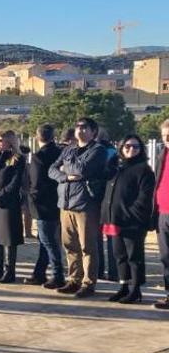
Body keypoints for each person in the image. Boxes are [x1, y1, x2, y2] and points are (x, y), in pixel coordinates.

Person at [48, 117, 108, 298]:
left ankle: (88, 283)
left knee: (87, 246)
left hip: (85, 204)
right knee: (69, 244)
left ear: (93, 132)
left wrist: (67, 168)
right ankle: (74, 279)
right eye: (78, 127)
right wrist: (65, 176)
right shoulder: (69, 149)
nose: (80, 130)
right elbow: (51, 169)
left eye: (85, 128)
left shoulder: (98, 150)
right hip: (65, 204)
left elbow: (82, 170)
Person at [101, 134, 154, 304]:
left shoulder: (144, 170)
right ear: (121, 148)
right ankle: (123, 286)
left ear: (141, 149)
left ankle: (135, 290)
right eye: (127, 146)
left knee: (134, 257)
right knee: (119, 255)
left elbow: (144, 198)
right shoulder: (117, 167)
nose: (131, 149)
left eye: (136, 147)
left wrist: (131, 214)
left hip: (133, 222)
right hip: (114, 220)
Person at [25, 125, 65, 289]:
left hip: (43, 204)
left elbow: (35, 183)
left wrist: (32, 200)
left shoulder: (38, 156)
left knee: (49, 242)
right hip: (58, 201)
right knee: (45, 241)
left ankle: (57, 275)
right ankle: (39, 273)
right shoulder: (60, 153)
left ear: (36, 137)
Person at [0, 130, 25, 283]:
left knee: (8, 238)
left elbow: (14, 184)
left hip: (8, 203)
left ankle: (10, 271)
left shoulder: (17, 159)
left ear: (11, 141)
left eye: (2, 140)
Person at [96, 129, 119, 282]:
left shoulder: (94, 152)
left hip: (95, 199)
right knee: (111, 238)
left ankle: (98, 270)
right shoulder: (115, 152)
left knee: (96, 238)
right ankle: (113, 272)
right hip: (110, 199)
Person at [152, 119, 169, 310]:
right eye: (164, 136)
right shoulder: (162, 155)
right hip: (162, 213)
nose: (167, 140)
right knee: (166, 257)